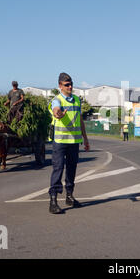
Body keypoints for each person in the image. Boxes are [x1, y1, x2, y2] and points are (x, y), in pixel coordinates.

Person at [48, 73, 90, 214]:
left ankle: (69, 196)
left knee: (71, 169)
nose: (70, 86)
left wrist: (86, 139)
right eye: (67, 85)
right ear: (60, 86)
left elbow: (81, 121)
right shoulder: (57, 99)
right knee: (58, 169)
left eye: (71, 84)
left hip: (74, 142)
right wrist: (59, 114)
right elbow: (56, 111)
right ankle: (53, 200)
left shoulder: (77, 100)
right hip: (60, 142)